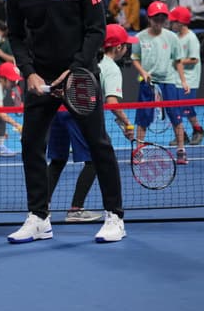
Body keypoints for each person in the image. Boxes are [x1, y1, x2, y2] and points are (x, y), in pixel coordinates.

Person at [6, 0, 126, 244]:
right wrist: (28, 71)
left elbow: (96, 31)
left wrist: (74, 70)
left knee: (98, 144)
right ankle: (39, 219)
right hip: (40, 82)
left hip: (80, 77)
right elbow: (15, 36)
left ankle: (115, 216)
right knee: (31, 146)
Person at [45, 24, 137, 225]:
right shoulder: (111, 68)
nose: (127, 49)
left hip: (58, 112)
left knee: (58, 161)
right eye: (126, 45)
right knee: (96, 159)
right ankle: (75, 209)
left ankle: (41, 209)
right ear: (119, 47)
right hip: (79, 113)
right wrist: (128, 125)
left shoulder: (85, 58)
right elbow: (112, 103)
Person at [131, 1, 190, 164]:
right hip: (148, 83)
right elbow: (135, 59)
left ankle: (181, 150)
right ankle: (138, 151)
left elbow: (178, 61)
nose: (159, 21)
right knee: (143, 118)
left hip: (168, 82)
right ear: (149, 18)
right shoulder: (139, 38)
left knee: (176, 116)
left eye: (162, 18)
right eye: (156, 18)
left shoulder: (171, 37)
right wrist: (143, 72)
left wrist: (183, 81)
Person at [168, 7, 204, 146]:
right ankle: (182, 134)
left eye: (174, 22)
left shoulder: (191, 38)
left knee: (187, 108)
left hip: (189, 80)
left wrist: (178, 61)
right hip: (175, 78)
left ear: (181, 22)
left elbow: (194, 59)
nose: (171, 24)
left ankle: (198, 130)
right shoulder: (176, 37)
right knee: (174, 108)